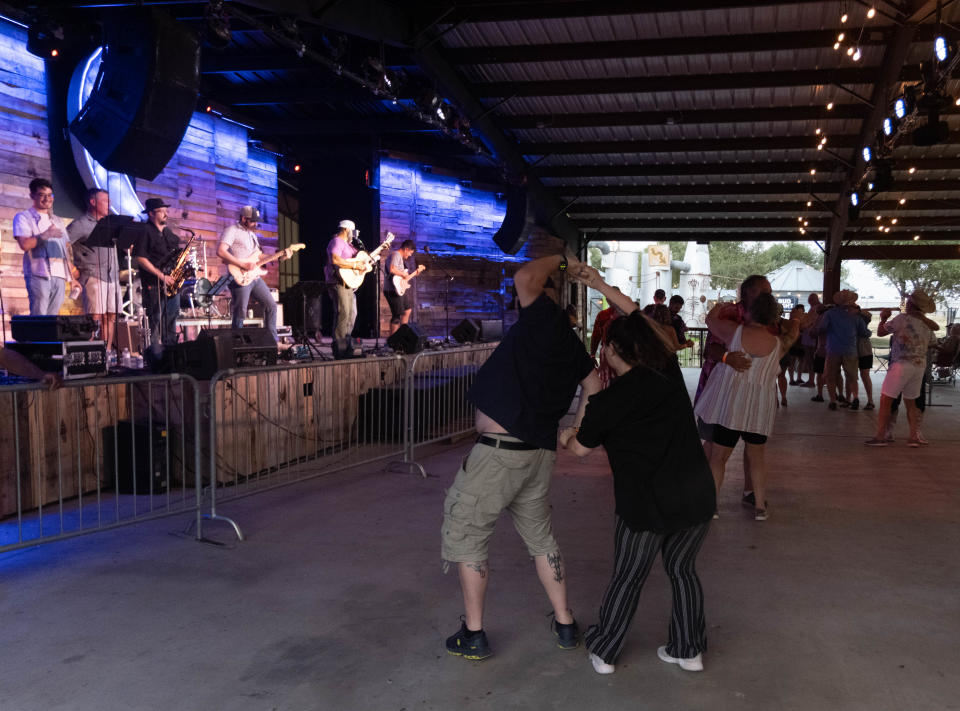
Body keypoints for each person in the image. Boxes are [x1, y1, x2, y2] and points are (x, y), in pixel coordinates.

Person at [442, 252, 600, 662]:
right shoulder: (571, 344)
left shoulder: (542, 316)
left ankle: (473, 634)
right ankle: (565, 622)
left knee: (469, 536)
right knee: (541, 539)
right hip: (537, 456)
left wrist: (564, 261)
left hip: (499, 457)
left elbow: (526, 275)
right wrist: (575, 434)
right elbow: (594, 385)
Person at [559, 285, 714, 676]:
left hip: (644, 503)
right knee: (683, 571)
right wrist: (597, 281)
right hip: (695, 495)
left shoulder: (608, 402)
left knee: (629, 576)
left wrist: (566, 432)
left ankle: (606, 651)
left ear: (610, 352)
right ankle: (688, 650)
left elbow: (578, 449)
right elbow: (644, 324)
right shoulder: (667, 375)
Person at [695, 293, 798, 521]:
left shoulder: (735, 332)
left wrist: (719, 306)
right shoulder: (778, 344)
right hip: (759, 411)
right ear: (773, 317)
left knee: (719, 458)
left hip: (731, 408)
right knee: (757, 458)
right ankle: (760, 506)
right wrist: (794, 322)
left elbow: (710, 321)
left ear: (749, 311)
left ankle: (712, 506)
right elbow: (793, 332)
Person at [694, 276, 772, 509]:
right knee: (713, 443)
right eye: (763, 291)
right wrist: (728, 357)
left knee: (754, 447)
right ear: (748, 293)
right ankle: (705, 493)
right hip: (720, 390)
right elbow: (711, 349)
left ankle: (750, 492)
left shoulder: (768, 317)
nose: (768, 294)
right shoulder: (729, 313)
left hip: (753, 393)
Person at [866, 290, 939, 447]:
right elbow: (933, 342)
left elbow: (880, 332)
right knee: (911, 402)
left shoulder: (901, 319)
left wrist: (883, 318)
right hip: (919, 365)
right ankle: (913, 436)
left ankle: (881, 436)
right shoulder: (927, 324)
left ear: (911, 304)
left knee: (886, 400)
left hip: (901, 364)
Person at [218, 206, 290, 343]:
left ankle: (272, 342)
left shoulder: (252, 234)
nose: (256, 224)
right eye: (253, 221)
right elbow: (221, 251)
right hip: (240, 276)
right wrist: (242, 265)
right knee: (241, 313)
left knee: (271, 306)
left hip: (254, 277)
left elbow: (259, 256)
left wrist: (279, 256)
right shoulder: (232, 231)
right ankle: (235, 345)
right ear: (244, 218)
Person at [12, 178, 81, 315]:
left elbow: (65, 250)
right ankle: (35, 337)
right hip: (38, 274)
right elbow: (24, 245)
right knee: (39, 317)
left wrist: (72, 278)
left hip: (59, 275)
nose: (47, 199)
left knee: (52, 320)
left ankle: (48, 337)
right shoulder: (23, 217)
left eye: (50, 195)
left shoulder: (57, 220)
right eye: (42, 195)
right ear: (32, 195)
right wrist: (45, 235)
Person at [67, 188, 120, 352]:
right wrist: (72, 269)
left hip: (112, 276)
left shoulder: (109, 224)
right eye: (106, 201)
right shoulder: (80, 224)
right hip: (93, 276)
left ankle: (106, 355)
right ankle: (89, 356)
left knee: (110, 316)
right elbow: (62, 244)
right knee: (94, 317)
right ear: (93, 202)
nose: (109, 204)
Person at [133, 198, 182, 353]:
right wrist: (161, 276)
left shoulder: (167, 232)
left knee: (171, 320)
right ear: (151, 213)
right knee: (154, 321)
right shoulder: (144, 231)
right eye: (162, 211)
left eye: (166, 210)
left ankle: (170, 356)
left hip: (172, 284)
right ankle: (153, 358)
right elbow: (140, 257)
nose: (166, 214)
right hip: (154, 284)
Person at [818, 290, 870, 410]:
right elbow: (865, 333)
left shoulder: (830, 314)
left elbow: (822, 328)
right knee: (852, 377)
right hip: (850, 350)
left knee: (831, 377)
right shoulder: (855, 316)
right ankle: (855, 397)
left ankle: (833, 401)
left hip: (833, 349)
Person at [325, 219, 365, 340]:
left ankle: (346, 340)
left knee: (352, 313)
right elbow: (335, 259)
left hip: (348, 283)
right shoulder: (337, 241)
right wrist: (354, 266)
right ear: (346, 229)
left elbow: (360, 260)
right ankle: (339, 345)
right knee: (343, 313)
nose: (353, 234)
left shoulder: (350, 245)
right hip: (338, 282)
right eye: (352, 231)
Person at [383, 239, 423, 336]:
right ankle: (393, 341)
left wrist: (416, 272)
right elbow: (392, 269)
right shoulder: (396, 254)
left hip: (398, 290)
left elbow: (404, 278)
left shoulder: (401, 259)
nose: (409, 255)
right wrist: (403, 274)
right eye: (410, 253)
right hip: (391, 290)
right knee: (397, 315)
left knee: (407, 310)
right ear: (406, 249)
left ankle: (402, 336)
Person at [856, 309, 876, 410]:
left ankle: (870, 400)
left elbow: (865, 332)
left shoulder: (860, 323)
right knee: (855, 376)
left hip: (864, 351)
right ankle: (853, 398)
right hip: (858, 351)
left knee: (864, 376)